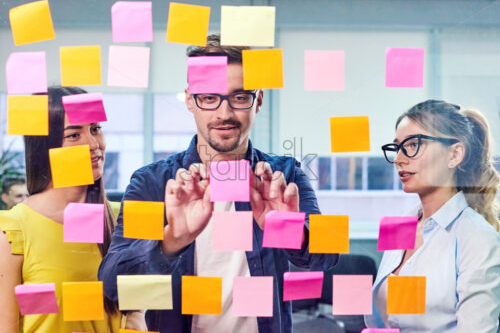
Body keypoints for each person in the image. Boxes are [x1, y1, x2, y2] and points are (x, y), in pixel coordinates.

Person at [99, 34, 338, 333]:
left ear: (258, 99)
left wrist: (286, 229)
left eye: (239, 97)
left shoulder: (284, 174)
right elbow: (112, 286)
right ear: (190, 99)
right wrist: (171, 241)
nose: (224, 114)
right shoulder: (153, 183)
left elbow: (327, 256)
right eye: (209, 98)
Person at [365, 100, 500, 332]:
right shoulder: (398, 227)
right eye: (397, 147)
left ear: (454, 155)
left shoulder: (477, 238)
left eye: (413, 145)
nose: (399, 159)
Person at [0, 86, 121, 333]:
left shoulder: (123, 218)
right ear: (45, 148)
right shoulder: (13, 230)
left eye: (96, 129)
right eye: (74, 135)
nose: (93, 144)